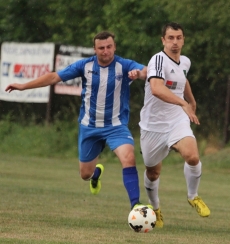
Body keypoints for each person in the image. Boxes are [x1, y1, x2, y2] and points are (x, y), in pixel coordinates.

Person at [5, 31, 148, 210]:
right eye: (101, 48)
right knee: (84, 174)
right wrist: (24, 86)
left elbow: (146, 71)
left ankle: (136, 206)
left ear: (115, 47)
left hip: (116, 126)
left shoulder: (125, 65)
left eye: (109, 47)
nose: (106, 51)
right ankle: (95, 174)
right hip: (89, 127)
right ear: (95, 50)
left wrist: (139, 73)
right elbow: (54, 77)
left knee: (129, 158)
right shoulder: (85, 65)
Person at [139, 22, 210, 228]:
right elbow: (156, 89)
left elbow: (183, 80)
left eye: (179, 38)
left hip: (177, 120)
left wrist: (192, 102)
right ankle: (156, 208)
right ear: (163, 40)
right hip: (152, 126)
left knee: (193, 156)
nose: (175, 42)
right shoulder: (158, 60)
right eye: (170, 38)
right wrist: (183, 103)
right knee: (153, 172)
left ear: (184, 39)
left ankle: (193, 196)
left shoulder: (185, 61)